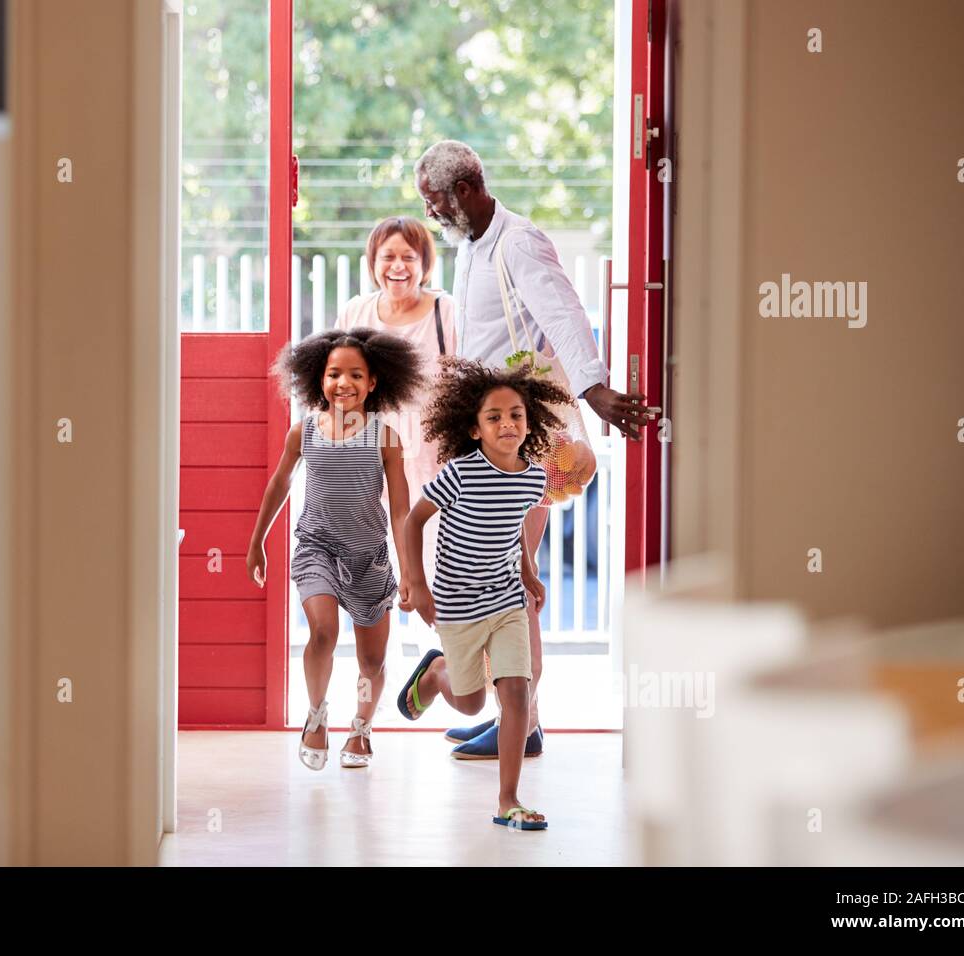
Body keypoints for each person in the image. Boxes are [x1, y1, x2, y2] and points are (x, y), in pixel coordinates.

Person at [413, 139, 659, 757]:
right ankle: (517, 715)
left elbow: (565, 313)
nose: (433, 213)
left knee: (510, 579)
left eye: (436, 201)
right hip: (486, 436)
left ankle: (523, 721)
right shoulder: (472, 247)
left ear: (466, 188)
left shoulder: (518, 241)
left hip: (523, 437)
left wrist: (594, 388)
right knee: (492, 573)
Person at [397, 357, 575, 829]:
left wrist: (529, 568)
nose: (507, 424)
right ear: (474, 430)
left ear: (528, 421)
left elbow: (512, 528)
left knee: (516, 691)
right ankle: (437, 674)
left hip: (506, 599)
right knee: (472, 701)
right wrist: (416, 583)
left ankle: (508, 799)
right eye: (493, 417)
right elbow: (413, 521)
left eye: (515, 414)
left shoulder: (534, 478)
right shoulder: (460, 474)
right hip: (456, 602)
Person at [246, 328, 423, 769]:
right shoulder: (303, 431)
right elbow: (279, 486)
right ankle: (316, 715)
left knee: (372, 658)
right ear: (317, 380)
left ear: (374, 383)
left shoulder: (385, 437)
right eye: (333, 374)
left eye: (355, 375)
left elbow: (401, 510)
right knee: (322, 631)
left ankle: (360, 729)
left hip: (369, 557)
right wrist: (258, 542)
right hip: (317, 549)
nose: (343, 383)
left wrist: (410, 574)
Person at [334, 217, 457, 650]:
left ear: (425, 263)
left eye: (409, 256)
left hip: (433, 461)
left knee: (437, 581)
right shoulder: (356, 312)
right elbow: (339, 386)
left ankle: (454, 672)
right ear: (373, 262)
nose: (398, 266)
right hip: (372, 459)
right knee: (373, 581)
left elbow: (470, 383)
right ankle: (379, 684)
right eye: (388, 256)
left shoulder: (447, 312)